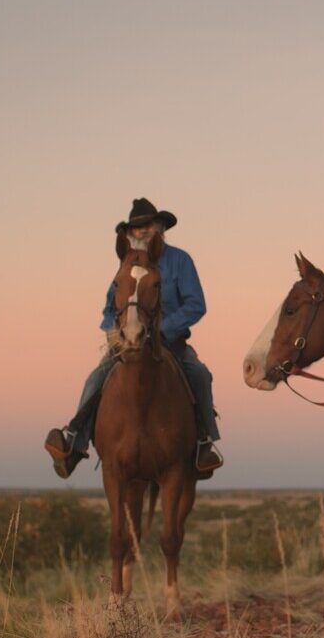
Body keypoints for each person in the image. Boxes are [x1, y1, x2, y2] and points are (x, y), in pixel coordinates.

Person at [43, 198, 223, 478]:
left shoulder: (180, 260)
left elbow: (195, 304)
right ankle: (74, 443)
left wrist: (164, 329)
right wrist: (114, 333)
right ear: (129, 234)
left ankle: (203, 444)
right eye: (136, 228)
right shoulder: (126, 264)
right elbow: (109, 306)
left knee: (199, 374)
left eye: (147, 225)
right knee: (95, 377)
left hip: (170, 343)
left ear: (160, 227)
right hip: (126, 342)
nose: (142, 231)